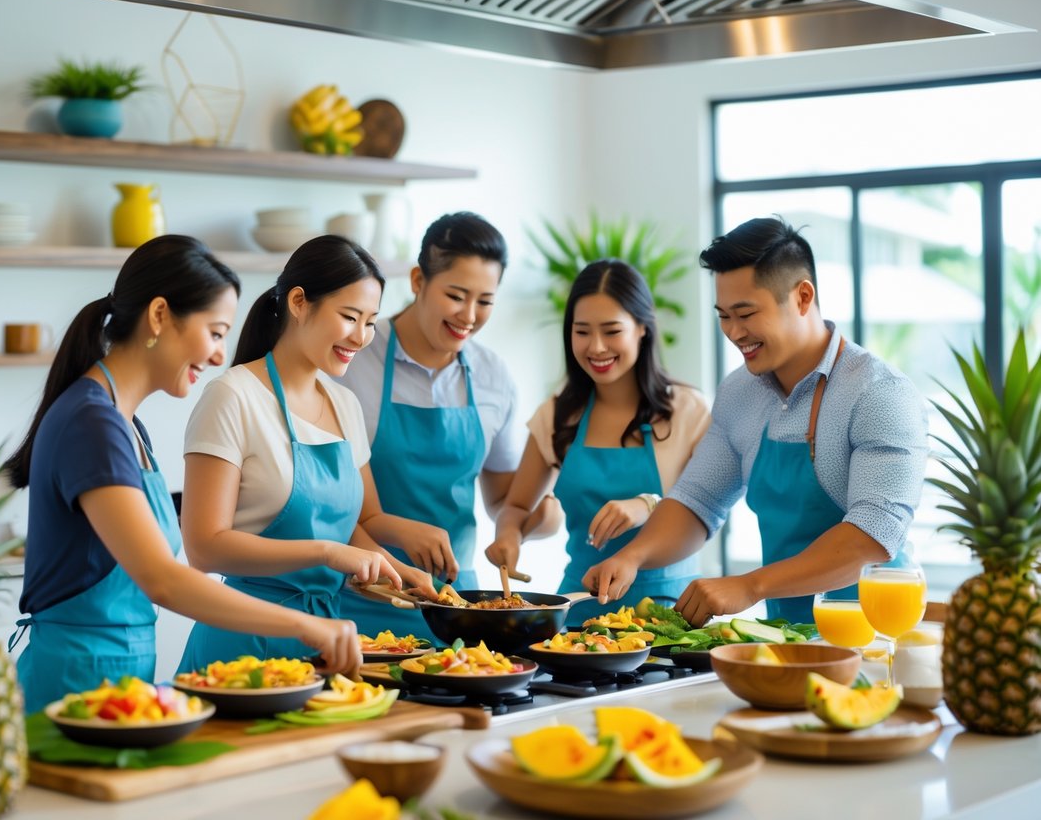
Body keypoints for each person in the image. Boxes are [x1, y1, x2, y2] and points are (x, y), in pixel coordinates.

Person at [7, 235, 362, 713]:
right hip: (73, 678)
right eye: (215, 332)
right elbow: (164, 580)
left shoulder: (126, 424)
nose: (220, 355)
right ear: (159, 316)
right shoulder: (92, 423)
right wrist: (302, 625)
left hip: (116, 678)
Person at [585, 217, 928, 626]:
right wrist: (632, 556)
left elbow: (871, 539)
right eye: (724, 316)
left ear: (802, 297)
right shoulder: (739, 392)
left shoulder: (879, 393)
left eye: (746, 313)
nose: (734, 332)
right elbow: (697, 500)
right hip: (787, 631)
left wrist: (749, 586)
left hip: (875, 633)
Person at [176, 235, 436, 671]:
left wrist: (394, 570)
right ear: (299, 302)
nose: (362, 336)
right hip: (243, 644)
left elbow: (349, 526)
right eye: (349, 317)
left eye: (370, 321)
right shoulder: (232, 396)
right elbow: (204, 547)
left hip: (326, 641)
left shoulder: (344, 405)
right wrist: (326, 553)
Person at [334, 212, 562, 641]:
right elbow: (325, 499)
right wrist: (397, 529)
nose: (470, 316)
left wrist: (533, 521)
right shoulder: (353, 359)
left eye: (486, 301)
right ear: (418, 280)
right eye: (456, 295)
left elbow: (500, 499)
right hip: (363, 601)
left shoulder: (494, 376)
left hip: (456, 607)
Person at [486, 259, 711, 626]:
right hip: (580, 611)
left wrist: (647, 505)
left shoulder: (687, 411)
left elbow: (707, 510)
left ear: (642, 327)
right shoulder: (557, 415)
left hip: (671, 613)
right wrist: (509, 535)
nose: (597, 347)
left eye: (611, 331)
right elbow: (515, 506)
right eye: (582, 331)